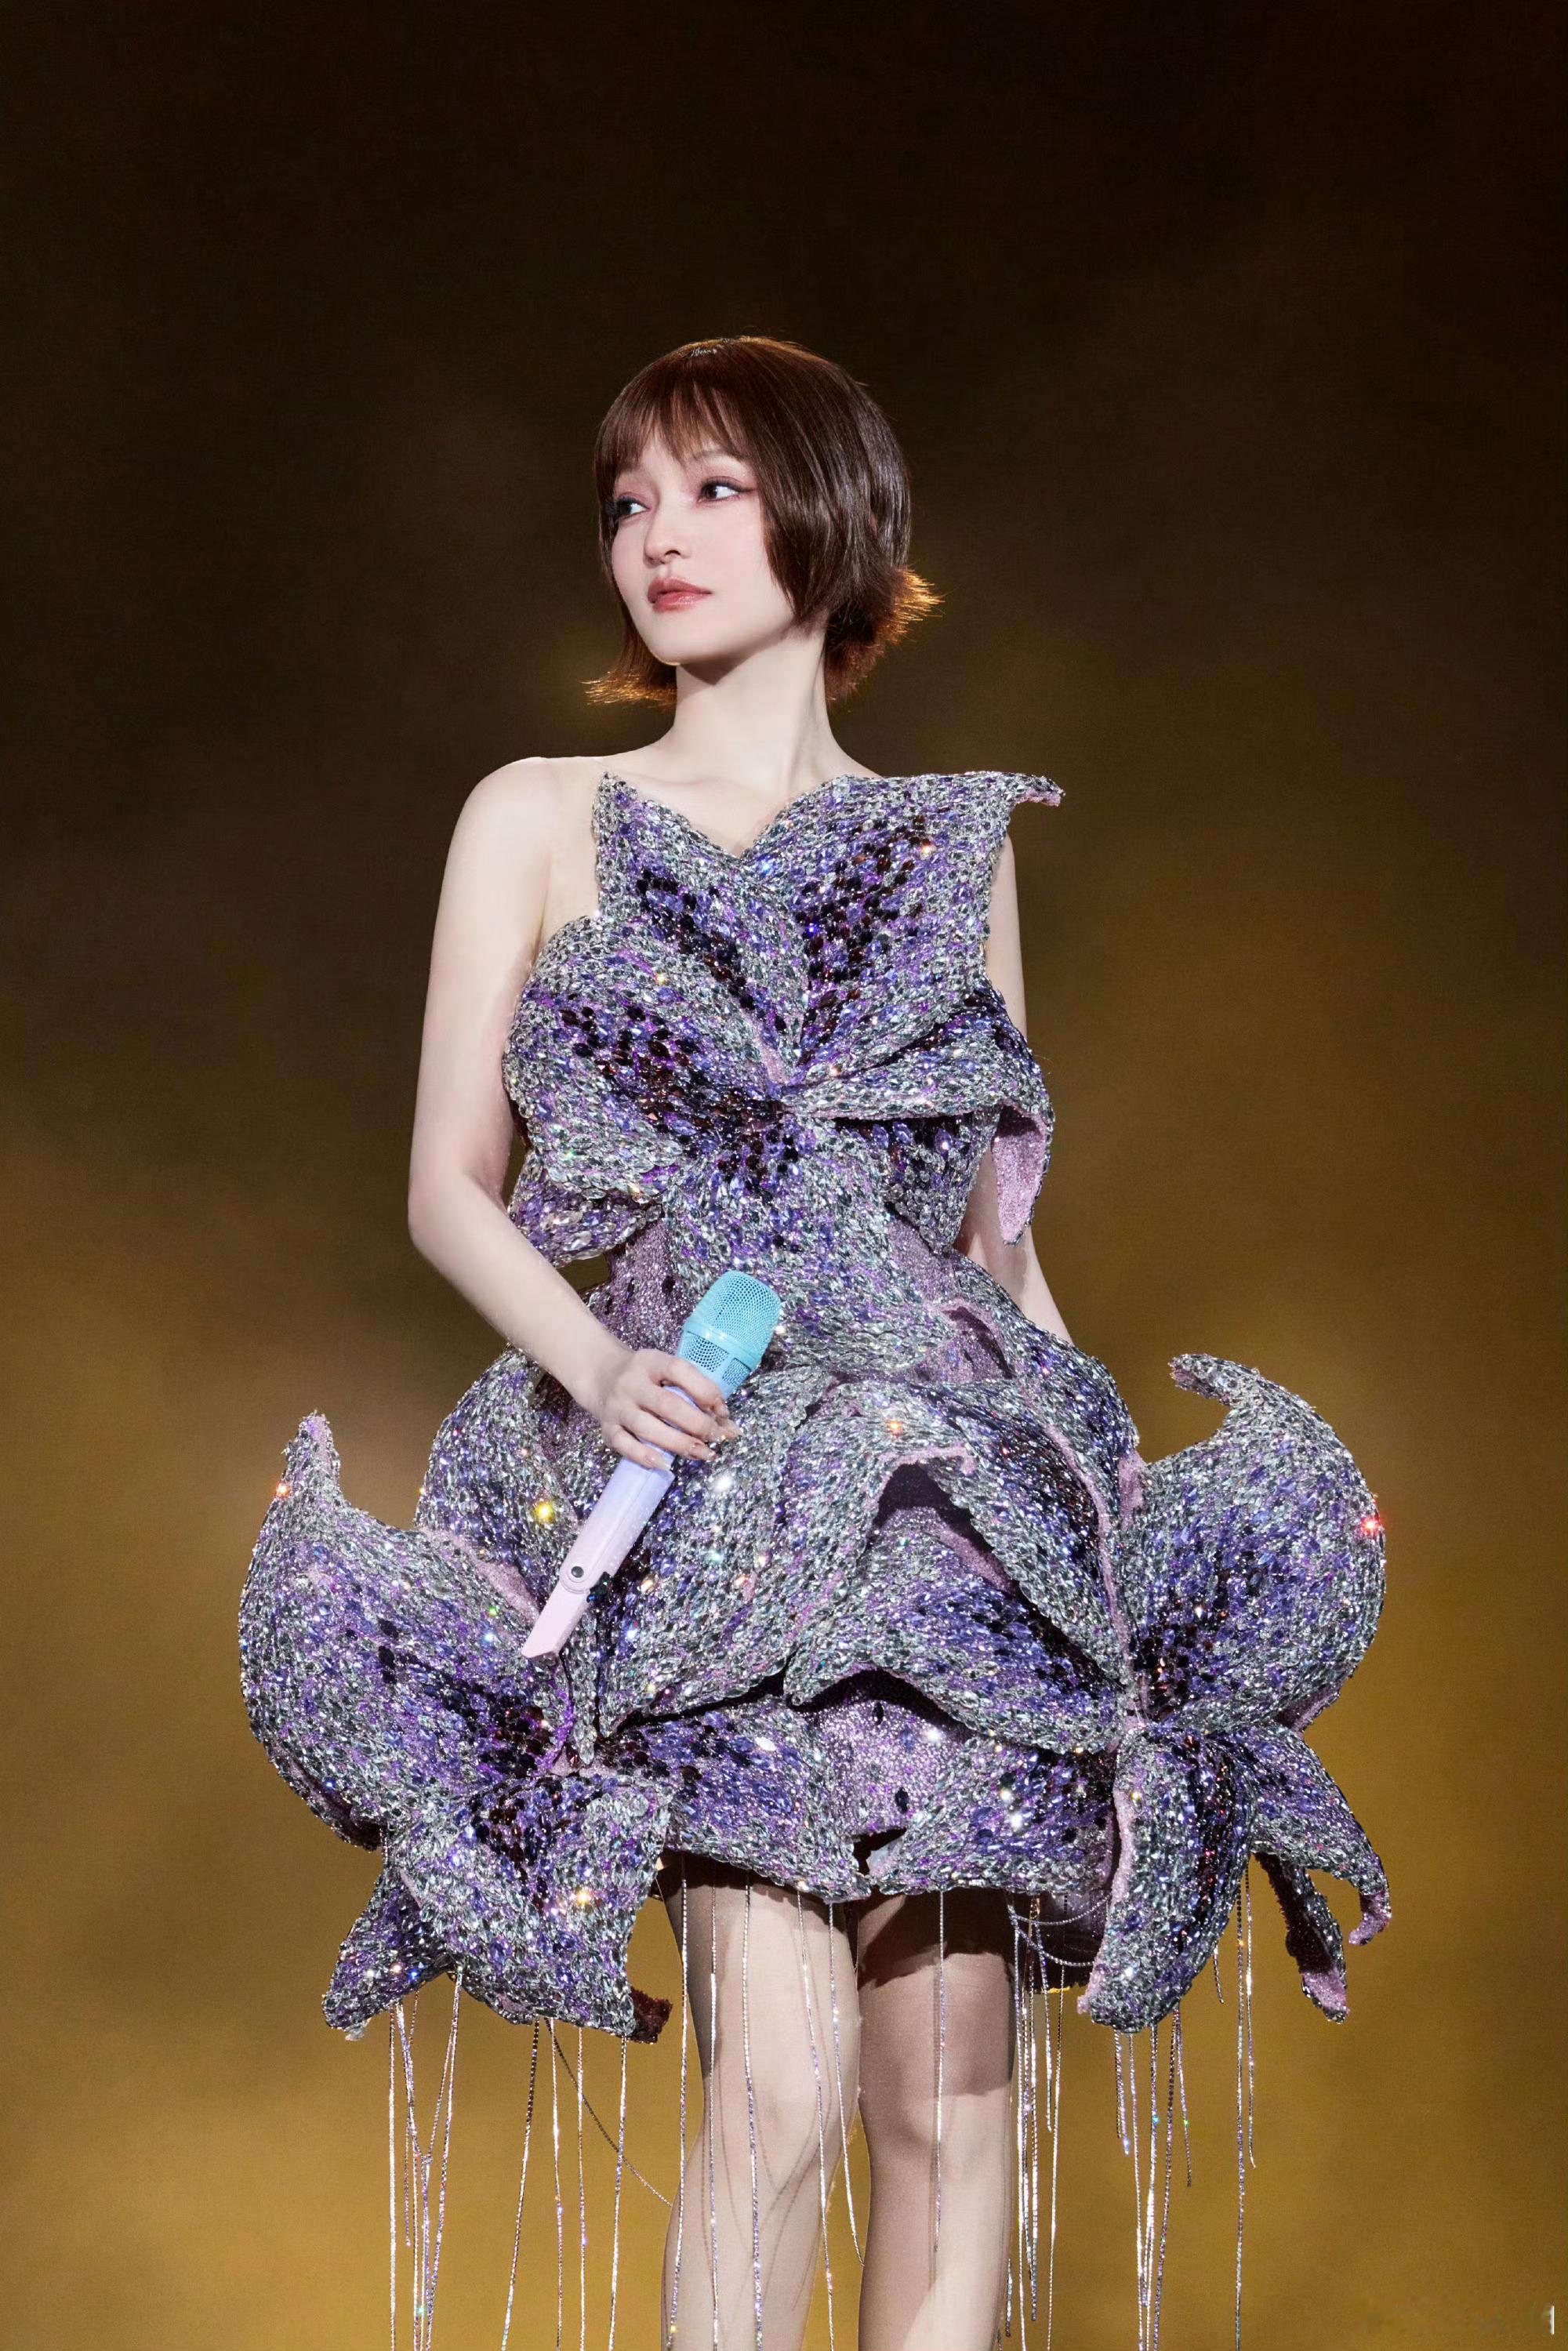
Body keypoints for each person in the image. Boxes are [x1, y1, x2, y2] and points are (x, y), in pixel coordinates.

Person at [240, 334, 1390, 2350]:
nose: (658, 536)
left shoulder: (956, 841)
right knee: (773, 2083)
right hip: (699, 1494)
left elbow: (996, 1242)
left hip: (954, 1514)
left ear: (834, 518)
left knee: (951, 2098)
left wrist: (1104, 1506)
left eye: (713, 488)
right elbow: (445, 1184)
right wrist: (594, 1367)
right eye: (628, 501)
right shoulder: (541, 813)